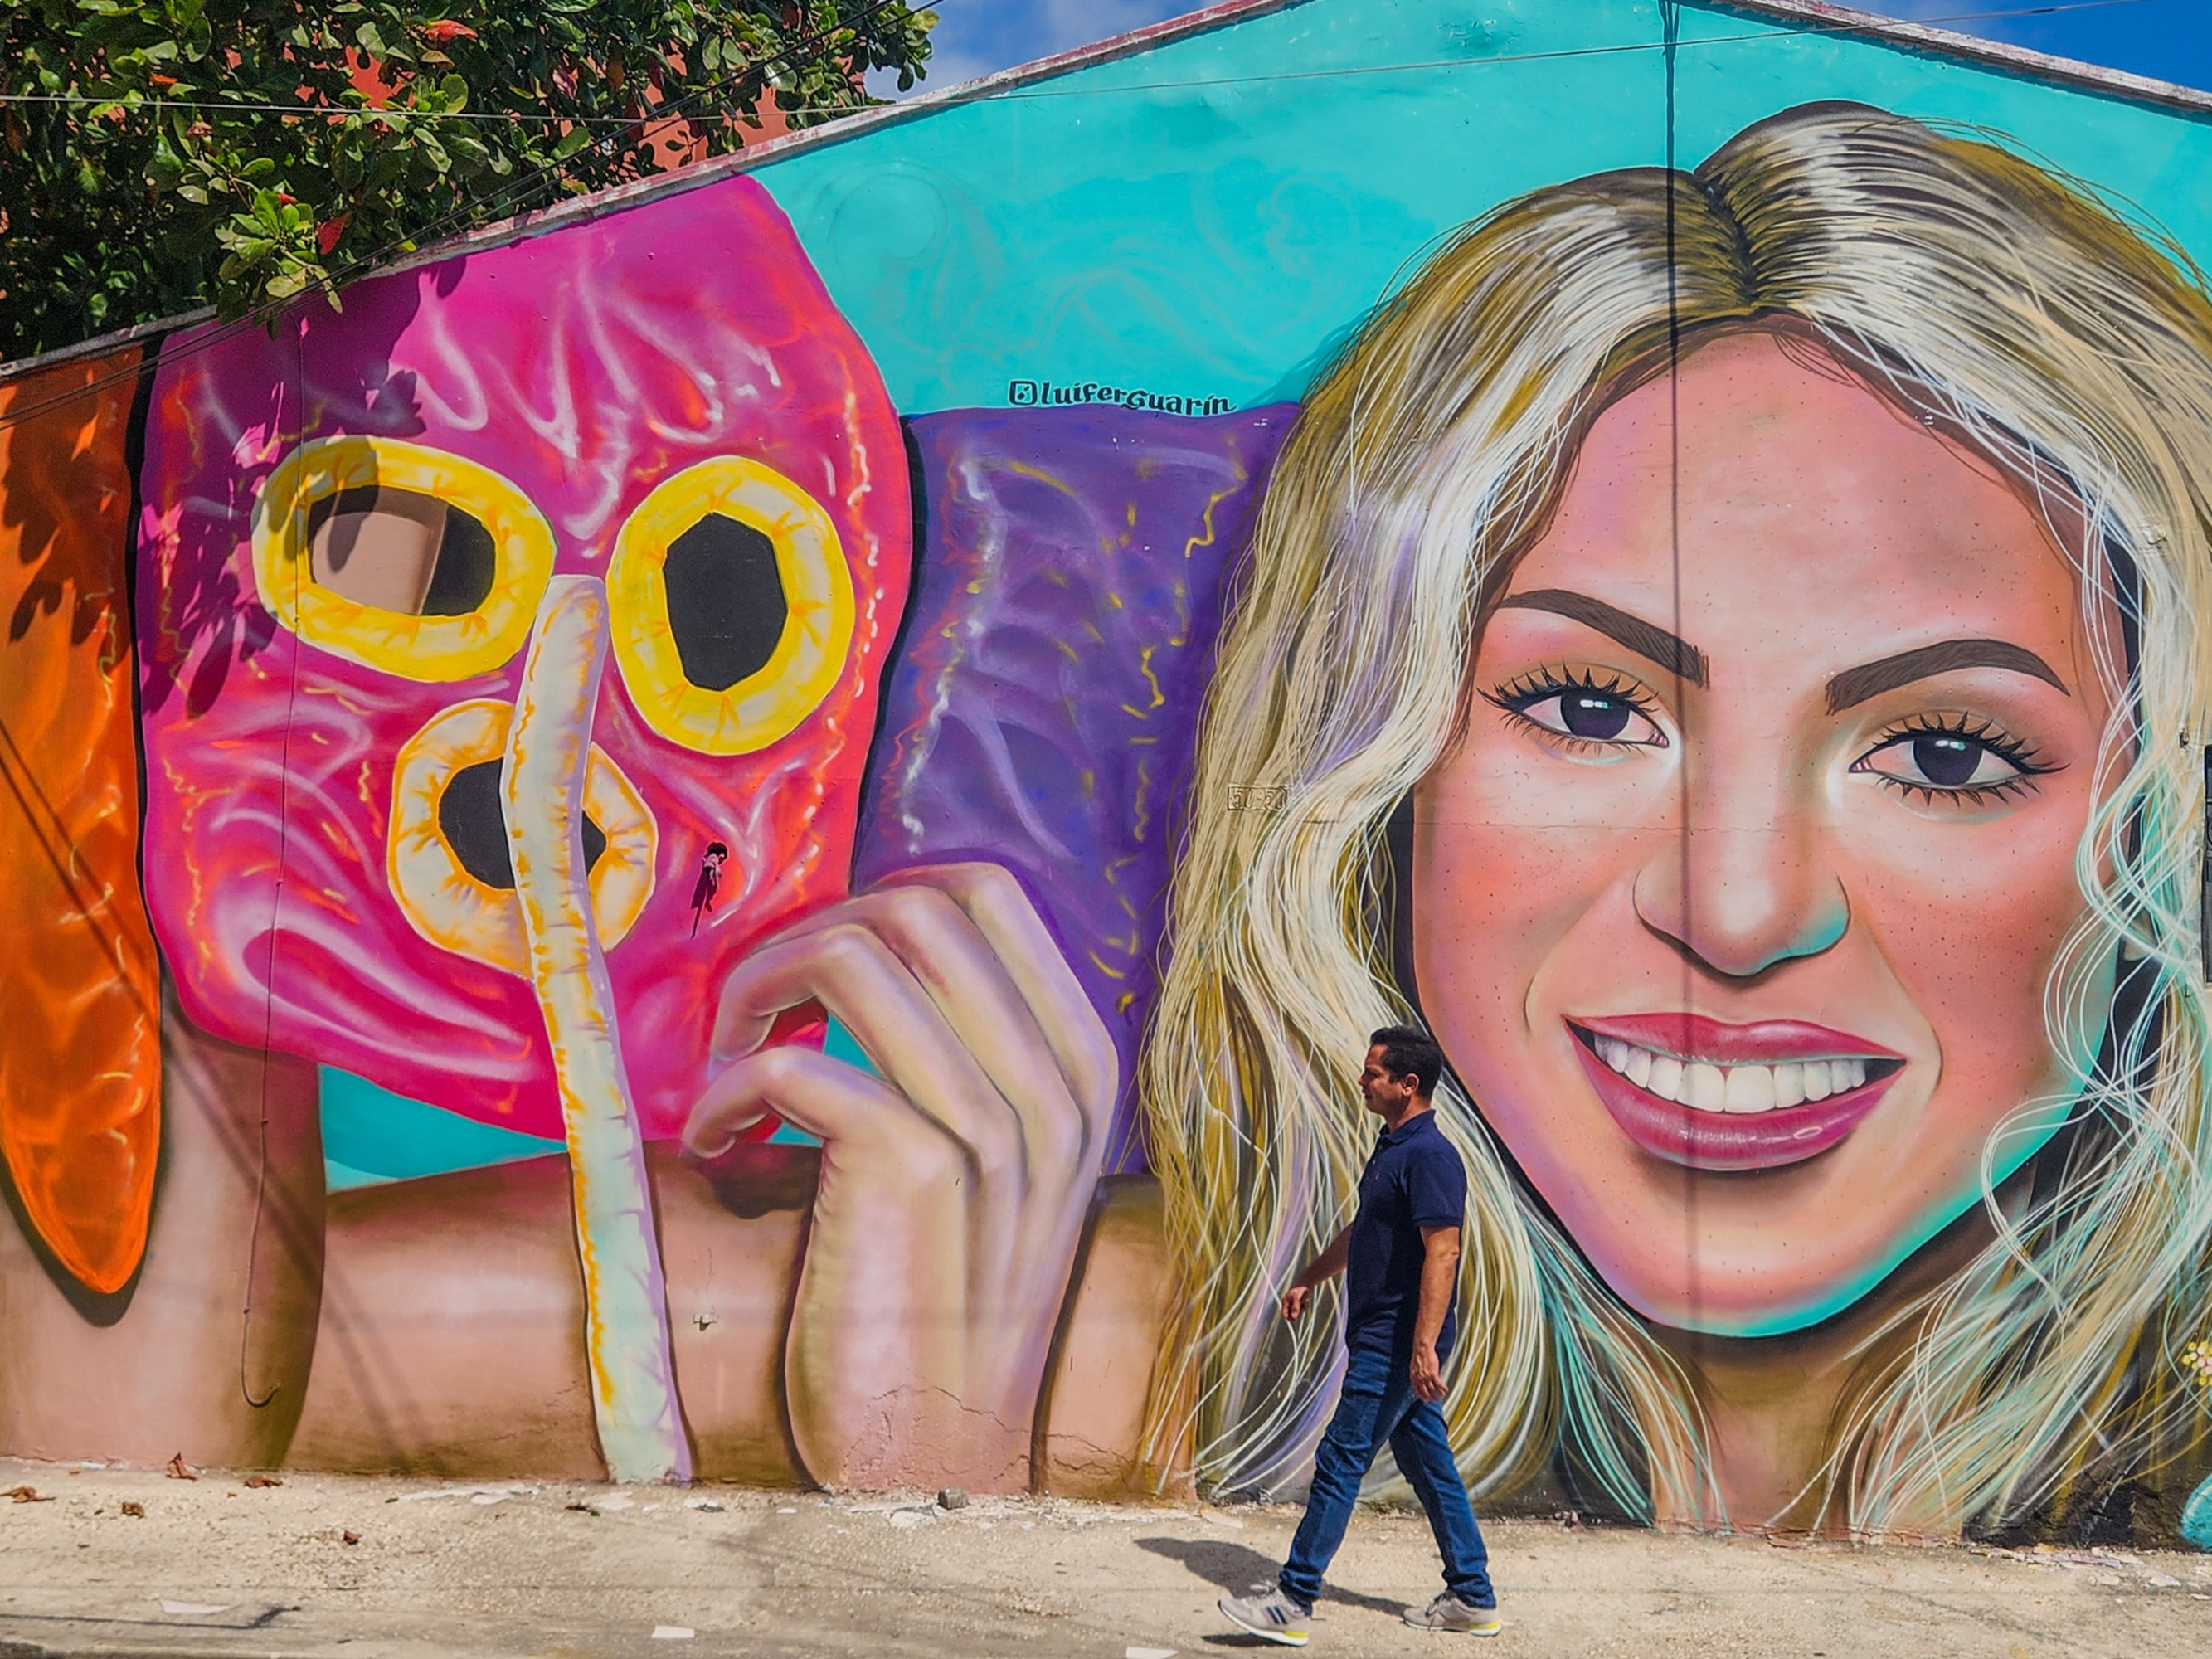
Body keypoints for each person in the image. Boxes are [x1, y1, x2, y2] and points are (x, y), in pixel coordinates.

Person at [1140, 100, 2212, 1540]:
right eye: (1591, 711)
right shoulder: (1108, 1373)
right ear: (1375, 789)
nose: (1738, 909)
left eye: (1946, 753)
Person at [1218, 1027, 1500, 1645]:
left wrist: (1423, 1344)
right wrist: (1310, 1278)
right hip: (1389, 1337)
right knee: (1428, 1464)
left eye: (1372, 1073)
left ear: (1408, 1085)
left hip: (1397, 1342)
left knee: (1341, 1458)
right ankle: (1472, 1594)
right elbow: (1364, 1229)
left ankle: (1293, 1600)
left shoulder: (1429, 1156)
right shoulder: (1393, 1148)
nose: (1361, 1081)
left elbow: (1443, 1251)